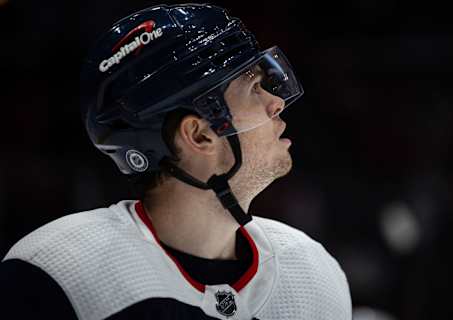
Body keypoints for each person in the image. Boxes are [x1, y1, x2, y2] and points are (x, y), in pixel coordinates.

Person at [0, 3, 351, 320]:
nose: (276, 103)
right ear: (198, 135)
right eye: (253, 89)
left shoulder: (313, 271)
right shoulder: (57, 273)